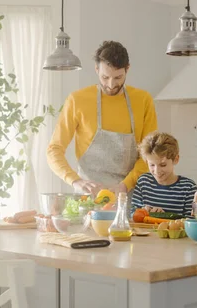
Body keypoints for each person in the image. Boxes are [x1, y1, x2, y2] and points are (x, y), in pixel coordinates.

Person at [47, 41, 158, 197]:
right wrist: (75, 181)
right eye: (105, 77)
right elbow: (54, 150)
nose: (111, 84)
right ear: (96, 69)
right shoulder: (77, 100)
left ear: (127, 69)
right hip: (87, 197)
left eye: (118, 77)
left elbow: (150, 155)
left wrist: (125, 186)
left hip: (129, 197)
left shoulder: (143, 100)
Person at [131, 131, 197, 215]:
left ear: (176, 159)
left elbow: (192, 221)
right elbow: (132, 214)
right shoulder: (143, 182)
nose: (157, 171)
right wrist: (142, 212)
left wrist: (164, 217)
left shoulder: (188, 187)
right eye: (152, 165)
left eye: (163, 165)